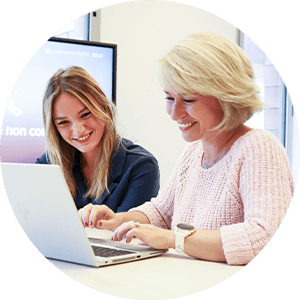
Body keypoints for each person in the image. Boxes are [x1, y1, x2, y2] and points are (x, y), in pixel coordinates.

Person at [78, 33, 294, 265]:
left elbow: (264, 236)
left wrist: (174, 239)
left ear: (228, 96)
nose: (174, 113)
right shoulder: (194, 152)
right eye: (170, 98)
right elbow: (161, 212)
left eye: (188, 100)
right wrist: (118, 219)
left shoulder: (259, 147)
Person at [36, 66, 159, 214]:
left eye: (85, 114)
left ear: (104, 108)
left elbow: (125, 234)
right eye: (63, 122)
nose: (78, 130)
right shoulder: (49, 164)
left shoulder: (141, 166)